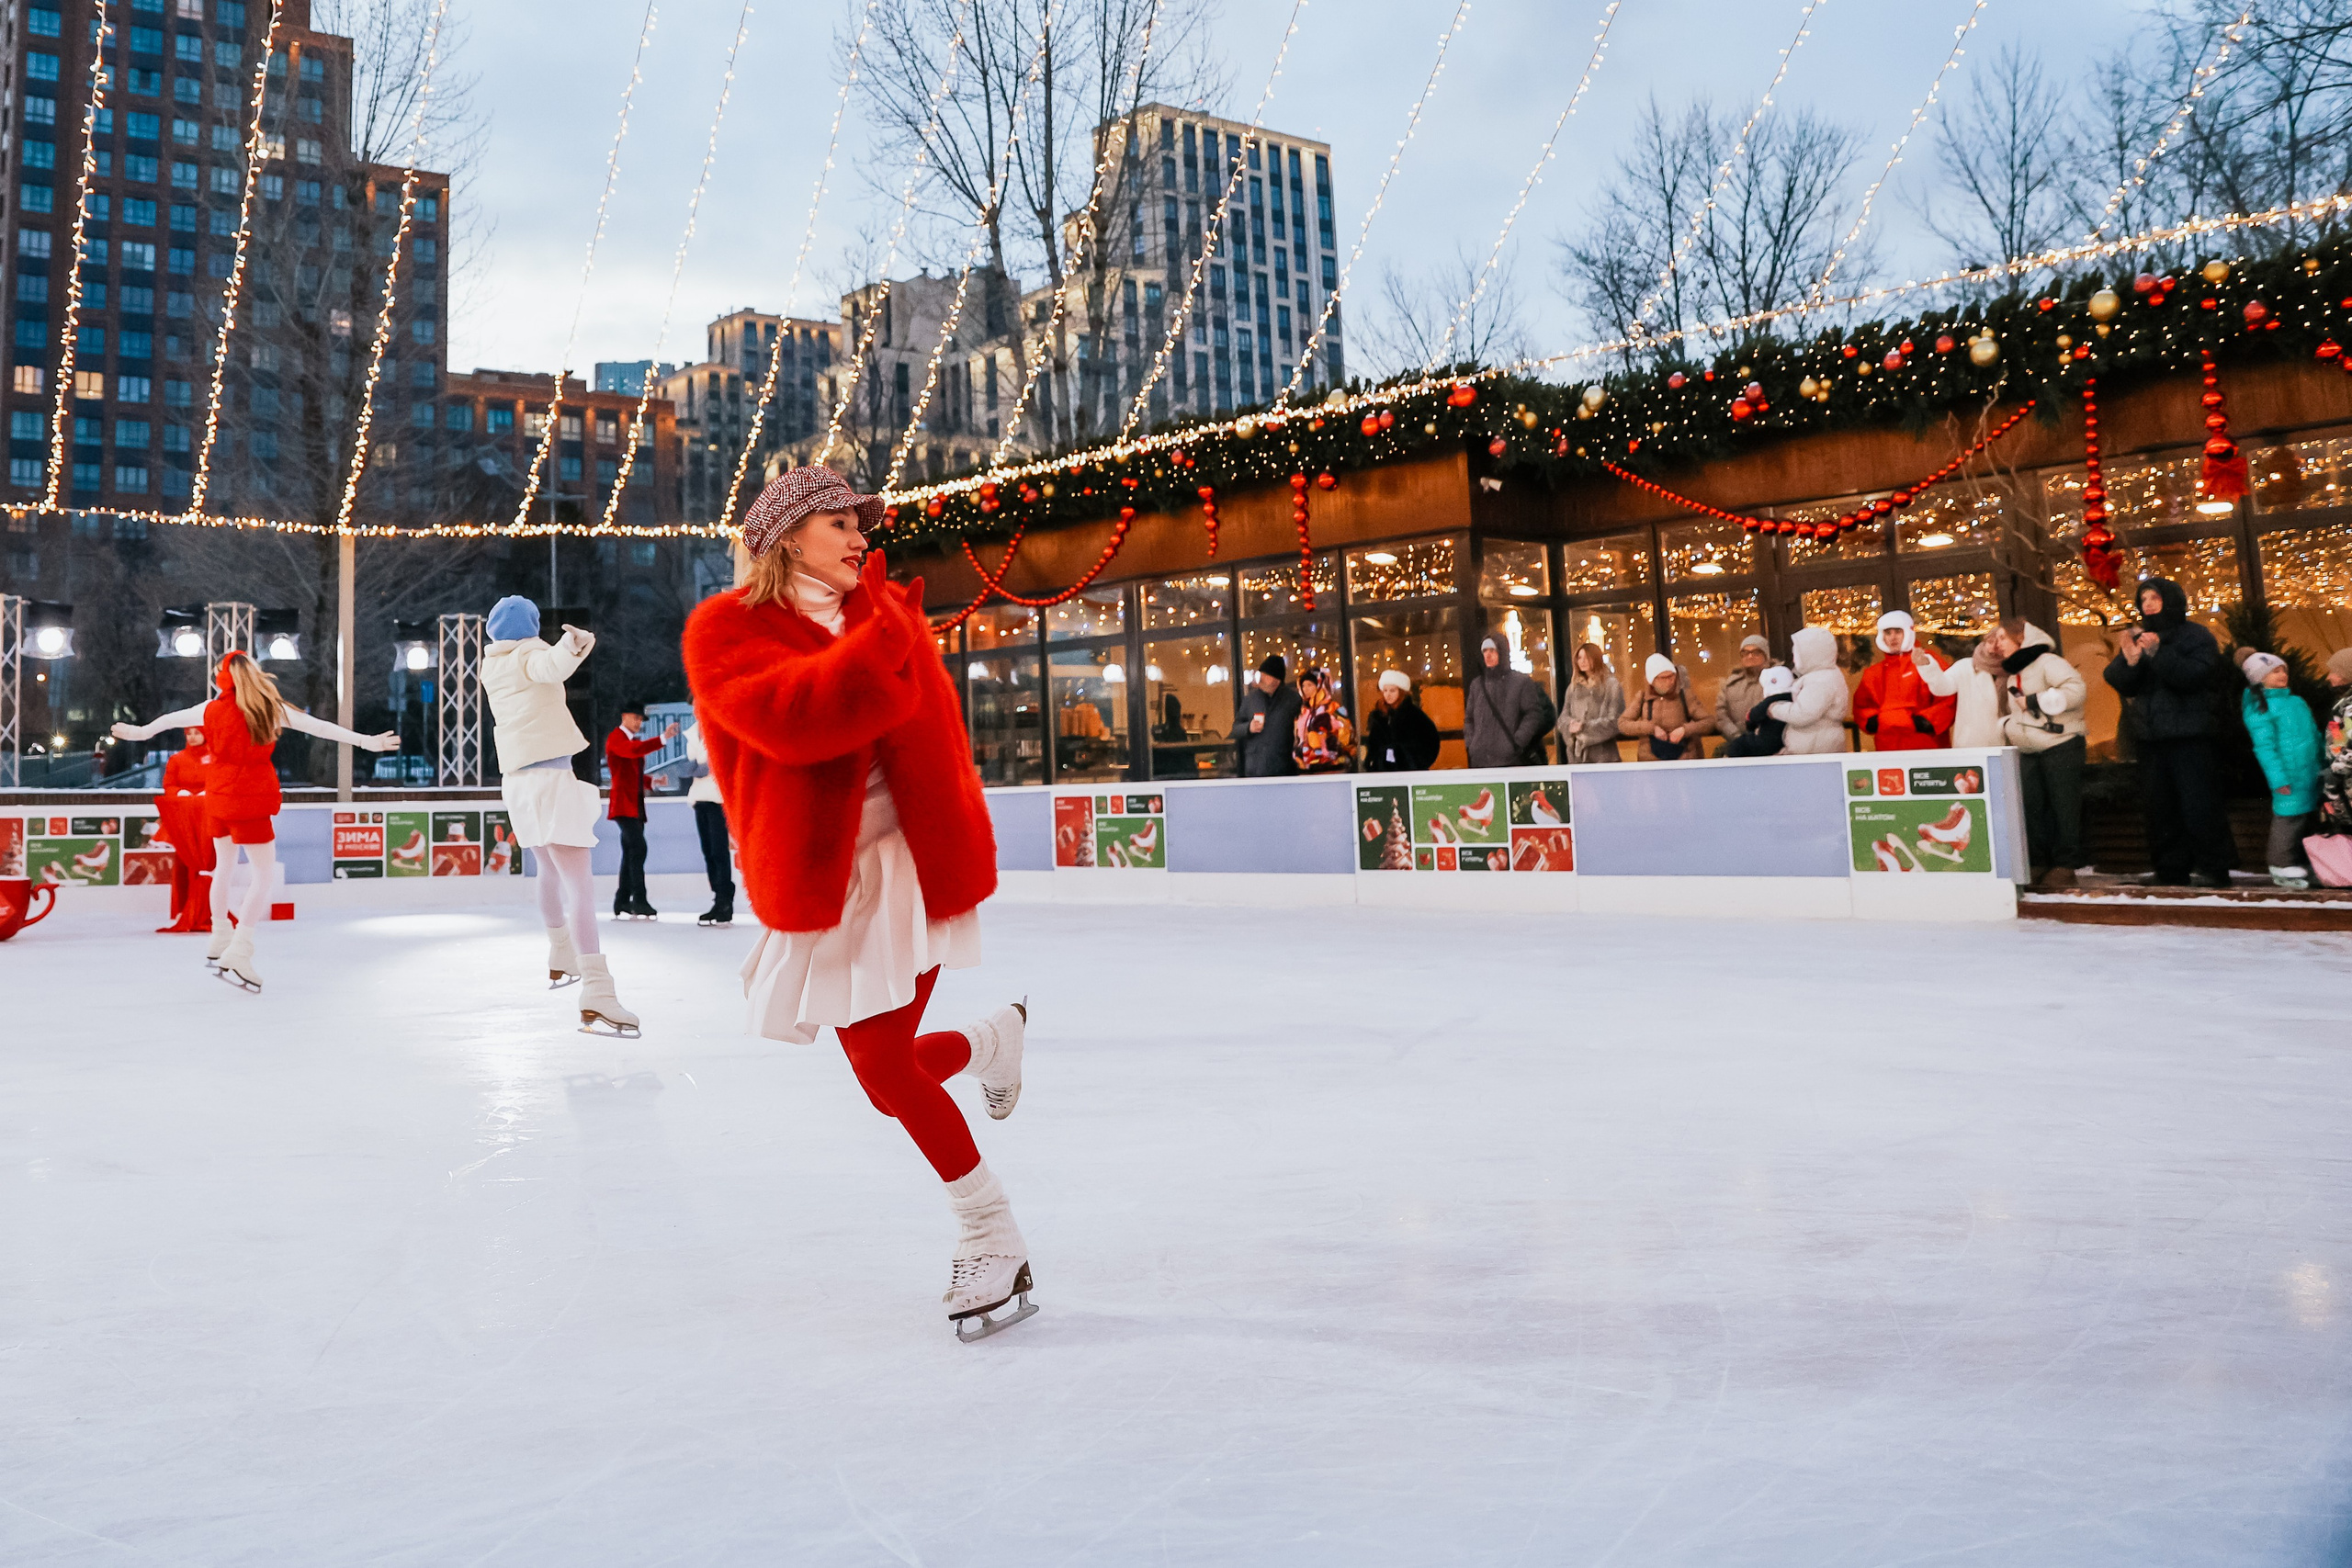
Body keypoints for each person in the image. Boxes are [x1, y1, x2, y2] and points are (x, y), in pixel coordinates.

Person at [683, 463, 1036, 1341]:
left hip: (909, 866)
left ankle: (992, 1232)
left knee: (882, 1067)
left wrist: (889, 636)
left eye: (860, 523)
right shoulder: (726, 630)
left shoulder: (886, 615)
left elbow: (939, 741)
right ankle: (991, 1039)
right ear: (786, 535)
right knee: (889, 1083)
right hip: (822, 878)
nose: (858, 536)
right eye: (838, 521)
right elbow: (792, 721)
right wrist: (878, 643)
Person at [112, 653, 398, 991]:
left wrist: (141, 732)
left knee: (223, 867)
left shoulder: (211, 709)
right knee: (262, 877)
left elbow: (169, 720)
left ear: (223, 679)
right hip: (250, 799)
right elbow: (319, 727)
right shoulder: (268, 708)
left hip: (218, 797)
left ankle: (220, 937)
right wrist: (366, 741)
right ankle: (240, 949)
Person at [481, 596, 639, 1034]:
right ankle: (598, 991)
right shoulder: (530, 654)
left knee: (547, 872)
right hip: (551, 778)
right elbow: (550, 666)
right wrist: (573, 645)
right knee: (580, 886)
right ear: (531, 628)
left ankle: (560, 953)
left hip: (518, 783)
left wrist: (566, 650)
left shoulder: (492, 665)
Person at [2104, 576, 2233, 886]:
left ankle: (2214, 868)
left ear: (2171, 600)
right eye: (2143, 598)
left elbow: (2194, 676)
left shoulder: (2196, 636)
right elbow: (2118, 679)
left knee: (2199, 804)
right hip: (2151, 738)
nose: (2148, 603)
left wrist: (2159, 653)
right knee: (2159, 808)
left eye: (2154, 597)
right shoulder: (2142, 637)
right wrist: (2131, 662)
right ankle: (2170, 870)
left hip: (2190, 737)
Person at [1993, 617, 2089, 886]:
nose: (1997, 644)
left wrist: (2036, 701)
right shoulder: (2015, 672)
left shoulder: (2049, 662)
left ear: (2020, 639)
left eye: (2002, 638)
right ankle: (2039, 862)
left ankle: (2065, 864)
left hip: (2061, 744)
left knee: (2063, 807)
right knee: (2032, 808)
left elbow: (2076, 690)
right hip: (2030, 748)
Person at [2239, 650, 2321, 889]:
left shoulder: (2296, 702)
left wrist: (2324, 761)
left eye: (2283, 669)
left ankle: (2306, 862)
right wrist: (2278, 779)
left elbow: (2313, 735)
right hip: (2289, 774)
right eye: (2274, 671)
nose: (2282, 674)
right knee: (2289, 817)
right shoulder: (2260, 709)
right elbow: (2265, 748)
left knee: (2308, 817)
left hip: (2310, 770)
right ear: (2259, 678)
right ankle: (2280, 863)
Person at [605, 701, 678, 919]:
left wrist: (652, 782)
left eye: (640, 719)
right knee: (638, 849)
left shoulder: (628, 742)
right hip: (624, 806)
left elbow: (632, 773)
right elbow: (633, 752)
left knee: (631, 852)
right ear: (625, 716)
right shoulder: (616, 739)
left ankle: (622, 900)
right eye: (636, 718)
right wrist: (662, 739)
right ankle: (638, 899)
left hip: (633, 805)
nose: (638, 723)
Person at [1853, 611, 1954, 750]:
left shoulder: (1926, 661)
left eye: (1898, 632)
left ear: (1908, 632)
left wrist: (1926, 722)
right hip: (1887, 746)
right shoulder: (1873, 673)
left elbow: (1948, 696)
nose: (1893, 637)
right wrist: (1872, 721)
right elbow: (1861, 706)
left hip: (1927, 745)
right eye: (1888, 633)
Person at [154, 723, 213, 934]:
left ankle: (208, 910)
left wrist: (208, 793)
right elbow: (169, 785)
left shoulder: (216, 758)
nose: (193, 737)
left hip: (208, 818)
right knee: (183, 864)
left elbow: (222, 781)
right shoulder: (177, 759)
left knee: (209, 863)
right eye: (189, 733)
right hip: (185, 820)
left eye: (197, 733)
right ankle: (183, 910)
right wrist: (180, 793)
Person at [1464, 633, 1555, 767]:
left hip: (1510, 761)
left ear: (1502, 652)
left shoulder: (1521, 682)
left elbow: (1534, 714)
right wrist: (1473, 745)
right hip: (1481, 760)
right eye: (1485, 651)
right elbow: (1469, 719)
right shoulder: (1477, 685)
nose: (1488, 655)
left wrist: (1516, 743)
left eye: (1492, 650)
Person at [1913, 632, 2004, 750]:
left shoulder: (2012, 669)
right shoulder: (1966, 666)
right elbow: (1942, 687)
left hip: (2005, 744)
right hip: (1970, 745)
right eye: (1990, 642)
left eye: (1999, 641)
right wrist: (1926, 665)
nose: (1993, 647)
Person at [684, 716, 734, 927]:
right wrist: (701, 767)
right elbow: (692, 767)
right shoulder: (693, 733)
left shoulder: (720, 728)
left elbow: (717, 763)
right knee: (708, 852)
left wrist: (702, 767)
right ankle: (718, 899)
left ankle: (725, 900)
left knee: (718, 851)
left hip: (717, 799)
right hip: (699, 798)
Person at [1620, 653, 1704, 761]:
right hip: (1650, 763)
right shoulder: (1642, 698)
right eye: (1663, 678)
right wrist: (1651, 729)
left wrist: (1685, 730)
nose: (1670, 681)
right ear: (1652, 680)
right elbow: (1623, 724)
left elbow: (1708, 722)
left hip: (1684, 760)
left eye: (1672, 676)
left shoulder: (1685, 696)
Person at [1781, 626, 1852, 754]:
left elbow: (1803, 714)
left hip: (1815, 745)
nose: (1794, 659)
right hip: (1815, 743)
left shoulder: (1820, 680)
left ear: (1811, 654)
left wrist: (1775, 709)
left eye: (1796, 654)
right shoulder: (1823, 675)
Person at [1230, 656, 1302, 777]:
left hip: (1283, 771)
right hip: (1255, 771)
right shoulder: (1250, 700)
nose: (1260, 679)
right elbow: (1235, 729)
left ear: (1276, 680)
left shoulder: (1292, 700)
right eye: (1260, 674)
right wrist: (1248, 727)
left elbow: (1302, 727)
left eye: (1265, 675)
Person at [1556, 642, 1624, 764]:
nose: (1582, 661)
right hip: (1577, 758)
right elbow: (1562, 718)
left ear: (1596, 658)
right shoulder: (1574, 687)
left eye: (1587, 657)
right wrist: (1570, 725)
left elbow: (1616, 721)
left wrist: (1583, 728)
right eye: (1579, 658)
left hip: (1604, 757)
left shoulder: (1611, 685)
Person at [1363, 669, 1439, 773]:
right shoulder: (1379, 717)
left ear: (1401, 691)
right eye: (1385, 690)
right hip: (1382, 775)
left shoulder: (1414, 716)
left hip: (1409, 774)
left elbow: (1430, 744)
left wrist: (1410, 760)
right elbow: (1373, 746)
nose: (1388, 694)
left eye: (1392, 690)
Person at [1713, 634, 1777, 746]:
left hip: (1774, 746)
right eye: (1745, 653)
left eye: (1756, 652)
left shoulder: (1778, 679)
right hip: (1740, 745)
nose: (1750, 656)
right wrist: (1738, 738)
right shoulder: (1730, 685)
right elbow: (1721, 715)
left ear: (1766, 655)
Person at [1294, 666, 1357, 773]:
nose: (1305, 689)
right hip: (1306, 769)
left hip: (1332, 769)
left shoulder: (1334, 709)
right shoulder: (1302, 712)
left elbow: (1348, 738)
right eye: (1303, 685)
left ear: (1320, 686)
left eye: (1310, 685)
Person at [1723, 665, 1795, 759]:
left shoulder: (1771, 701)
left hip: (1768, 742)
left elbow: (1754, 715)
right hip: (1785, 740)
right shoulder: (1793, 698)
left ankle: (1728, 762)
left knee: (1740, 743)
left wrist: (1749, 722)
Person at [2322, 649, 2352, 833]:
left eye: (2334, 671)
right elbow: (2340, 738)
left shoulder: (2350, 707)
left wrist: (2334, 772)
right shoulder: (2344, 703)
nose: (2329, 677)